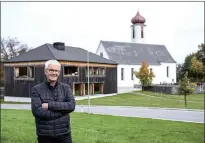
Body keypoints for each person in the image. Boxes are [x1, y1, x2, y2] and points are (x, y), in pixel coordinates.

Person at [31, 60, 76, 143]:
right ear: (45, 71)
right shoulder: (36, 89)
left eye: (57, 71)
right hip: (44, 135)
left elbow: (71, 106)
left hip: (64, 135)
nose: (54, 73)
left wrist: (49, 105)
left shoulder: (66, 88)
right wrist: (63, 112)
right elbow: (37, 112)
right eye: (51, 70)